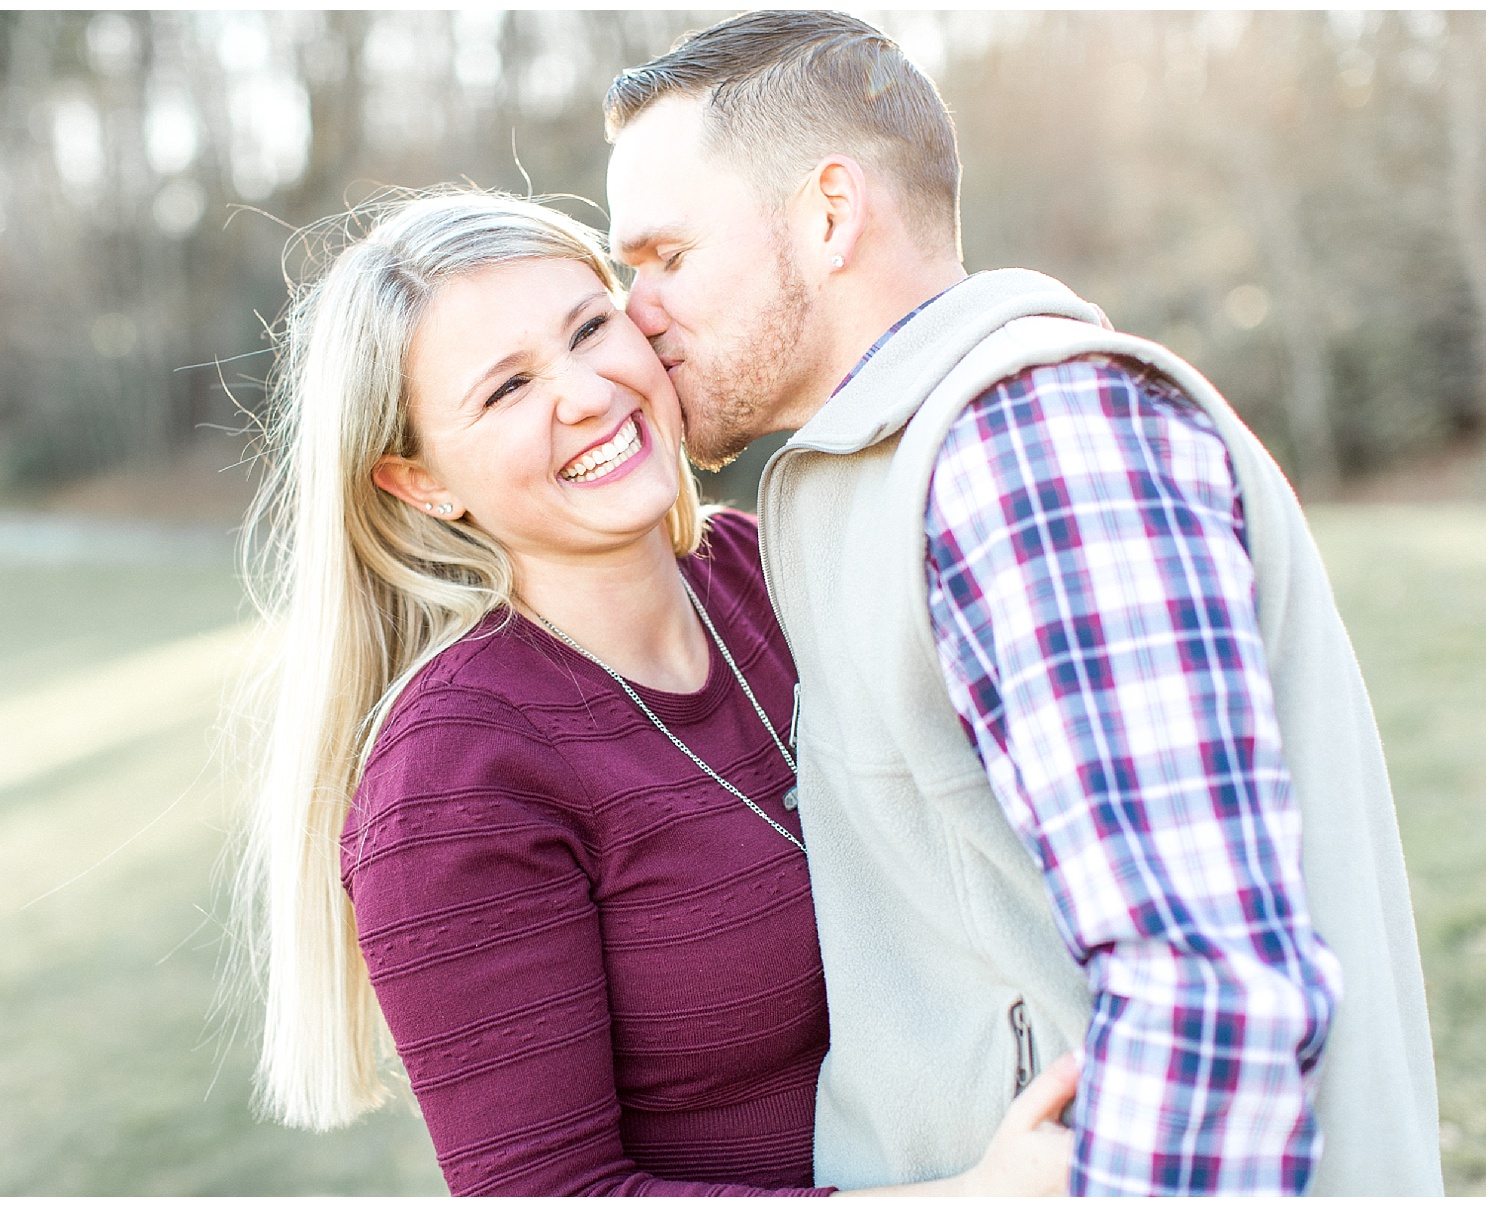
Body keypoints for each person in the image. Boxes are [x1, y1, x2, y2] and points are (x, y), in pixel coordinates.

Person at [602, 10, 1442, 1197]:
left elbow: (1208, 995)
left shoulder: (1031, 443)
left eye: (667, 257)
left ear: (828, 214)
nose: (635, 312)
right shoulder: (861, 477)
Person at [232, 190, 1080, 1196]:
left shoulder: (775, 567)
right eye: (506, 390)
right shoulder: (454, 777)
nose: (586, 392)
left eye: (590, 327)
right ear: (421, 484)